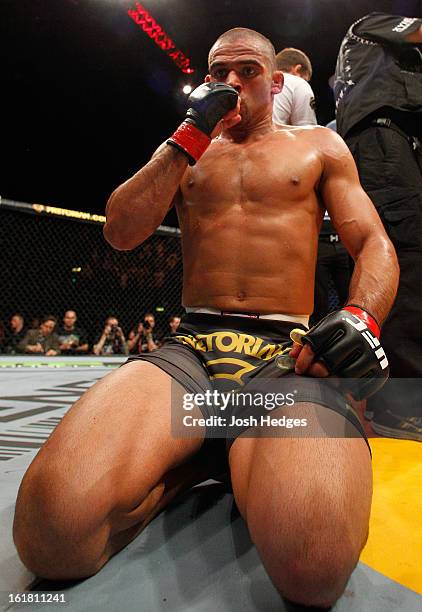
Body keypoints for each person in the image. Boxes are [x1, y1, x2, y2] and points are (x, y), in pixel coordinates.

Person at [14, 28, 398, 608]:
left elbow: (374, 242)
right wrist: (189, 136)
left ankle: (225, 452)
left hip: (282, 355)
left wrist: (360, 315)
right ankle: (201, 459)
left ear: (276, 82)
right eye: (220, 72)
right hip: (190, 350)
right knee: (52, 535)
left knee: (312, 563)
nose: (232, 83)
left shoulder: (319, 145)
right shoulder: (184, 150)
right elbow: (120, 233)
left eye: (246, 71)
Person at [334, 12, 422, 440]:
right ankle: (399, 405)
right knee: (407, 252)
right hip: (381, 142)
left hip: (392, 145)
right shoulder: (369, 24)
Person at [272, 47, 317, 126]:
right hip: (272, 137)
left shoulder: (260, 82)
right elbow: (306, 131)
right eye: (305, 79)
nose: (305, 82)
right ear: (297, 69)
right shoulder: (299, 83)